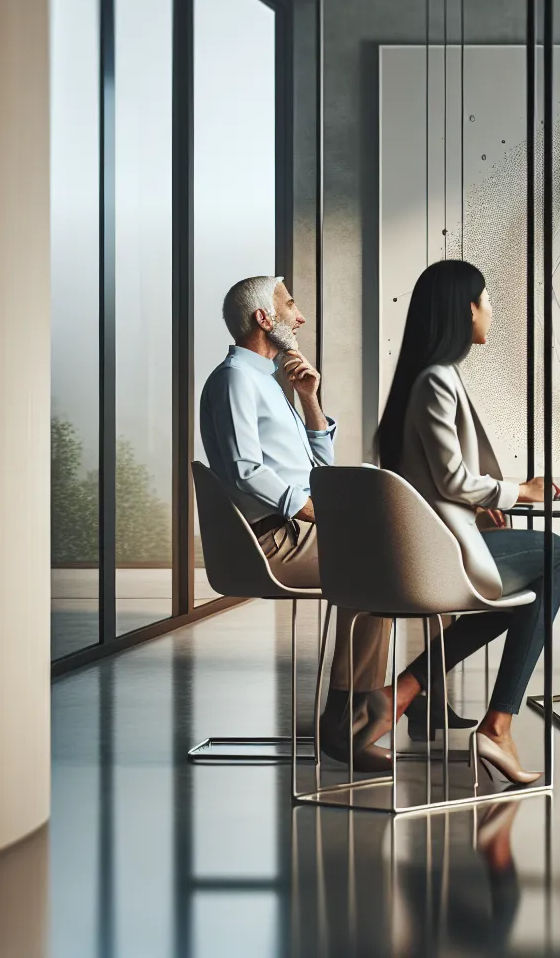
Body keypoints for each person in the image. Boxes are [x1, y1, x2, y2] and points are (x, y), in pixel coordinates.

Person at [373, 258, 560, 786]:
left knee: (530, 589)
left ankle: (407, 690)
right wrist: (517, 491)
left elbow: (432, 476)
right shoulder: (436, 380)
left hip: (421, 545)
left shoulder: (423, 378)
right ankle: (498, 725)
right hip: (438, 556)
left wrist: (484, 499)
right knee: (557, 557)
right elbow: (452, 480)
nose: (491, 309)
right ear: (465, 309)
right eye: (485, 299)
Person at [198, 276, 392, 770]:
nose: (299, 316)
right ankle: (352, 716)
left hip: (294, 528)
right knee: (383, 569)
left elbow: (317, 471)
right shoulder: (235, 380)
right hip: (274, 541)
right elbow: (245, 470)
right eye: (290, 305)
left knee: (388, 559)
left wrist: (309, 399)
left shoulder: (268, 380)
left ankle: (356, 710)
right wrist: (313, 510)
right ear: (264, 319)